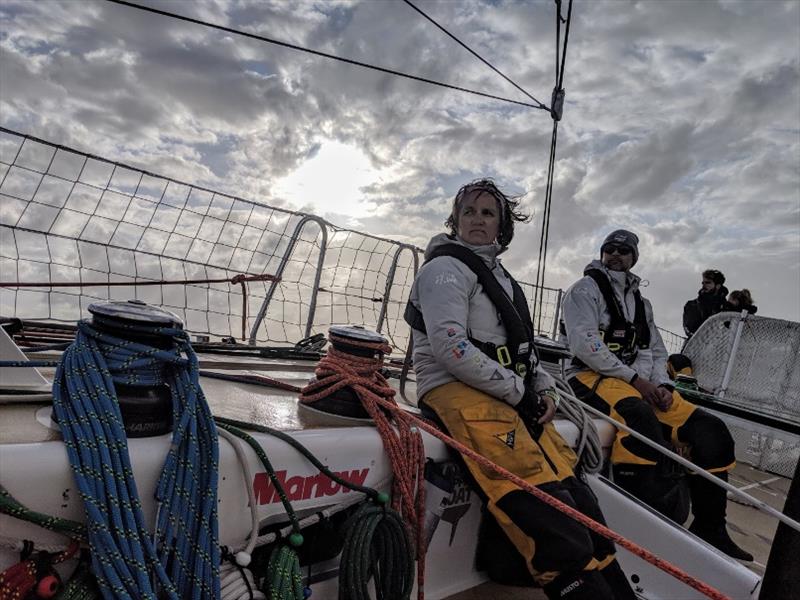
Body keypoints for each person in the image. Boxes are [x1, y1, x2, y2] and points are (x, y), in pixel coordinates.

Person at [405, 180, 636, 600]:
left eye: (488, 213)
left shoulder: (502, 279)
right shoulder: (443, 270)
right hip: (455, 389)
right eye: (469, 211)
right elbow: (450, 347)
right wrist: (521, 395)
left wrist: (543, 388)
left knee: (581, 503)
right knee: (551, 518)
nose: (478, 219)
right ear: (455, 220)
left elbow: (523, 352)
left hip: (504, 395)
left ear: (502, 227)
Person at [561, 230, 753, 561]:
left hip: (635, 379)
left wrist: (662, 384)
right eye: (610, 249)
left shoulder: (641, 303)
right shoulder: (584, 292)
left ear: (634, 257)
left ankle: (711, 528)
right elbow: (585, 345)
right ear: (602, 253)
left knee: (710, 430)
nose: (616, 254)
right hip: (589, 376)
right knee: (638, 417)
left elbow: (652, 349)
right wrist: (636, 381)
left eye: (624, 250)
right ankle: (638, 530)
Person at [683, 269, 729, 337]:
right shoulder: (692, 305)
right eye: (703, 283)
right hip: (697, 345)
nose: (704, 285)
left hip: (722, 346)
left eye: (708, 282)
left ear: (718, 286)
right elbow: (689, 329)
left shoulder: (727, 307)